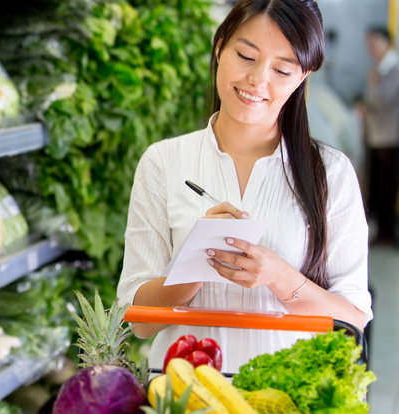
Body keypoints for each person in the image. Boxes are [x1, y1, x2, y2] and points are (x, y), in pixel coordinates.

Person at [117, 0, 372, 374]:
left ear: (302, 77)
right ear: (219, 45)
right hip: (182, 394)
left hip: (286, 395)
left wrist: (280, 278)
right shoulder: (163, 162)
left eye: (282, 70)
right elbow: (139, 321)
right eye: (246, 56)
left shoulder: (330, 172)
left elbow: (352, 319)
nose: (258, 81)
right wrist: (196, 259)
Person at [362, 27, 399, 245]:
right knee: (381, 185)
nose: (371, 49)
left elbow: (382, 100)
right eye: (369, 45)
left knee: (387, 185)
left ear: (387, 43)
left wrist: (373, 82)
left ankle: (387, 233)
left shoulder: (392, 69)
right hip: (380, 136)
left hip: (390, 137)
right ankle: (384, 232)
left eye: (375, 44)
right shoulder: (380, 68)